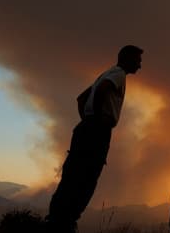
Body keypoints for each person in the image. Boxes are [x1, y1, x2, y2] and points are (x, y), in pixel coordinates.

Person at [46, 45, 144, 233]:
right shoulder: (118, 74)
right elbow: (100, 91)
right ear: (128, 59)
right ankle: (67, 222)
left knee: (72, 174)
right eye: (138, 61)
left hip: (85, 129)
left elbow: (81, 98)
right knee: (87, 178)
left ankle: (56, 220)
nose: (140, 66)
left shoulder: (106, 73)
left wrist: (87, 120)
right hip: (97, 130)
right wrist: (98, 121)